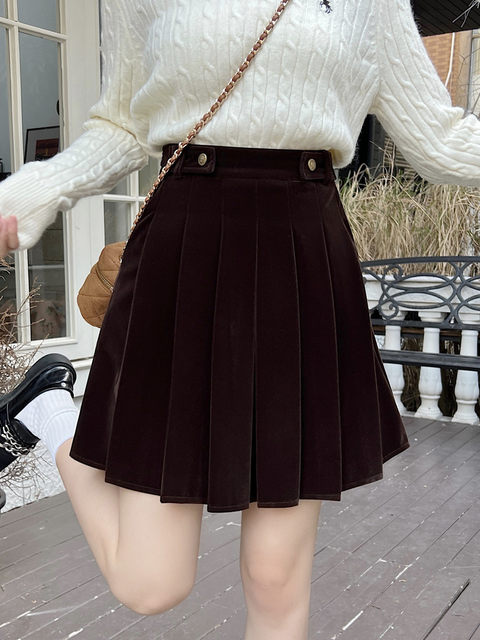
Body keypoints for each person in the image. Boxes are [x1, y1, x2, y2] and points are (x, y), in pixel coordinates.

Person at [0, 1, 479, 637]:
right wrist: (27, 193)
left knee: (277, 577)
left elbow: (440, 138)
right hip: (185, 250)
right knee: (151, 584)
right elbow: (122, 123)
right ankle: (54, 416)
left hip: (302, 258)